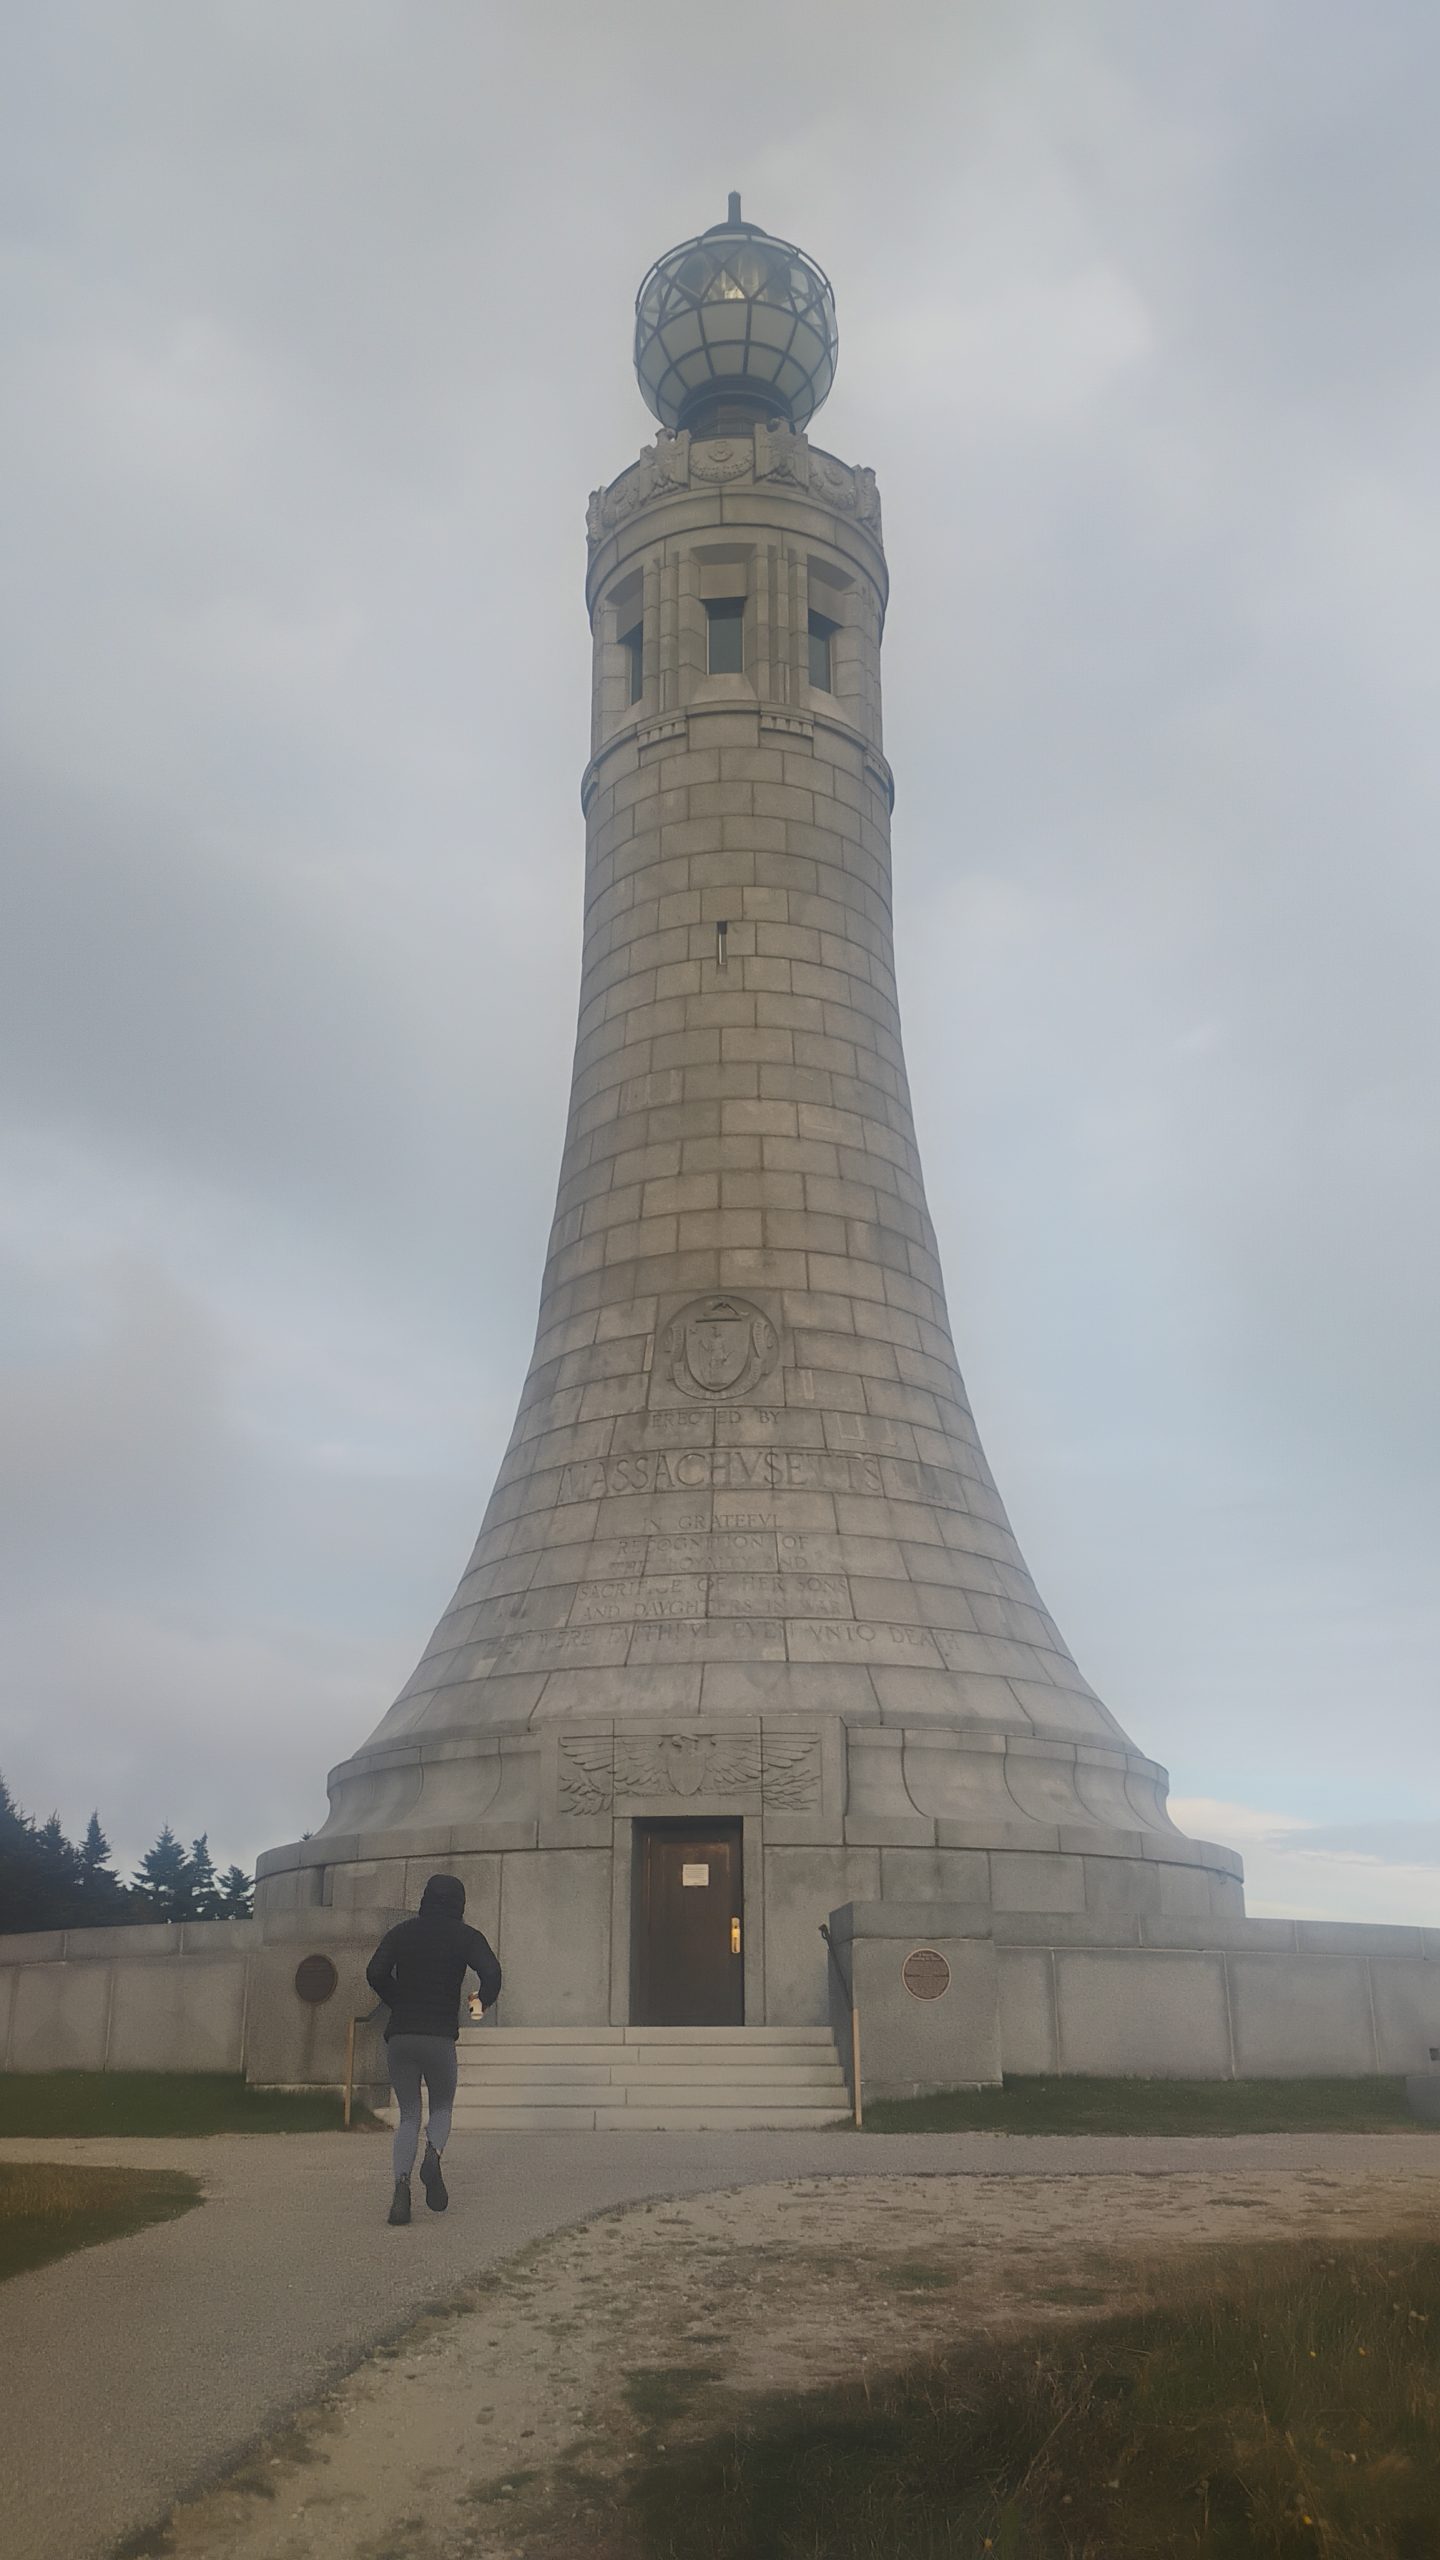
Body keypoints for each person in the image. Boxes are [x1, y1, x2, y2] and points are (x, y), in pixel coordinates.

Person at [366, 1873, 502, 2226]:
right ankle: (434, 2155)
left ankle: (400, 2190)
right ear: (459, 1902)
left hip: (401, 2036)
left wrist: (399, 2001)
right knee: (441, 2106)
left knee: (409, 2115)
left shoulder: (402, 1933)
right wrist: (478, 2004)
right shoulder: (466, 1937)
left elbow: (375, 1972)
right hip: (439, 2035)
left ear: (425, 1898)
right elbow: (492, 1973)